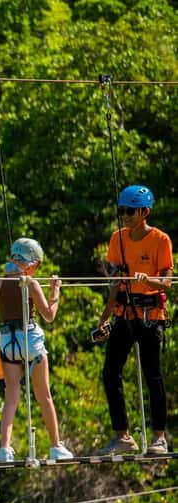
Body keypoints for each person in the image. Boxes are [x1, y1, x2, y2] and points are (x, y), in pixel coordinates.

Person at [0, 237, 73, 462]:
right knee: (44, 396)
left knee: (11, 397)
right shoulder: (31, 284)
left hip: (8, 345)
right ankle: (56, 446)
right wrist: (55, 291)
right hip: (31, 342)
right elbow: (50, 315)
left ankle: (4, 449)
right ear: (31, 264)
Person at [95, 185, 172, 455]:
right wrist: (103, 319)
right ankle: (123, 436)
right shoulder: (117, 239)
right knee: (109, 371)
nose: (125, 216)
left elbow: (167, 282)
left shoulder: (161, 240)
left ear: (144, 212)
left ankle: (159, 438)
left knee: (153, 374)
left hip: (150, 315)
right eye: (122, 211)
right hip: (124, 314)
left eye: (130, 211)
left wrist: (147, 280)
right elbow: (115, 284)